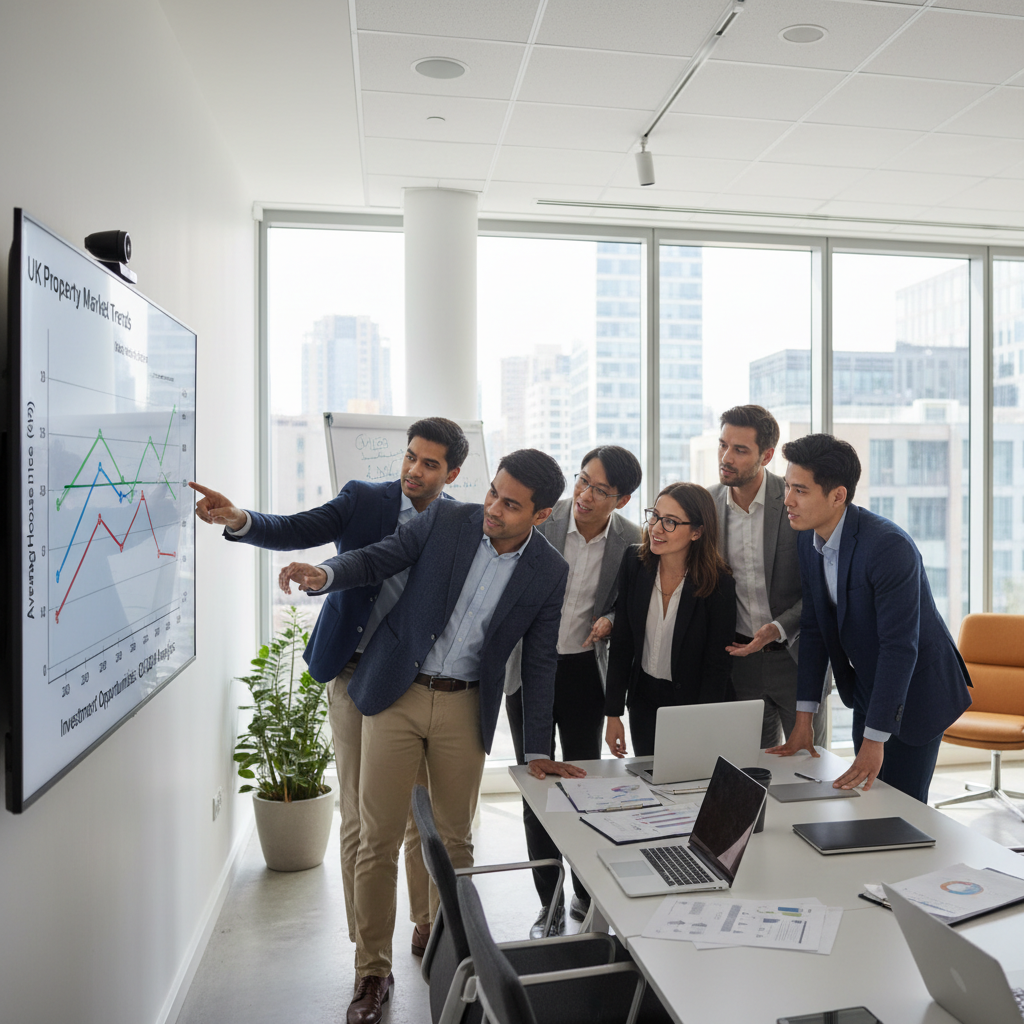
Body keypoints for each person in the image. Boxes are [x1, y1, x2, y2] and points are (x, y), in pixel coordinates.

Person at [277, 449, 586, 1024]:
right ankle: (371, 972)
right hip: (396, 692)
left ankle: (454, 952)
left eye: (511, 504)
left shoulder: (549, 571)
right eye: (493, 492)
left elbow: (541, 660)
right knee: (378, 837)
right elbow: (381, 557)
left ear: (541, 515)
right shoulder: (449, 520)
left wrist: (538, 749)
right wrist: (326, 573)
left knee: (456, 843)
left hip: (466, 707)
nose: (493, 507)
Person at [189, 416, 468, 963]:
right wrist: (241, 518)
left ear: (452, 472)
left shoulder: (456, 524)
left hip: (412, 680)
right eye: (410, 456)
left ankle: (425, 920)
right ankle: (368, 943)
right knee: (362, 816)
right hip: (351, 669)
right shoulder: (364, 499)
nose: (414, 469)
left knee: (420, 811)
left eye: (429, 463)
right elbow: (297, 528)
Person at [767, 433, 973, 803]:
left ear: (838, 495)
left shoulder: (887, 547)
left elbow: (899, 648)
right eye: (787, 487)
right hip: (869, 684)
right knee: (867, 801)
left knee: (903, 807)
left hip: (916, 690)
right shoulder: (807, 538)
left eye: (800, 490)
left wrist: (874, 740)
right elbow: (813, 629)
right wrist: (802, 722)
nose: (788, 501)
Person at [504, 445, 643, 938]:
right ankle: (550, 903)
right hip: (527, 670)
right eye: (583, 480)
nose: (584, 494)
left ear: (621, 500)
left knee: (585, 788)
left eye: (599, 490)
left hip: (585, 671)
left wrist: (610, 618)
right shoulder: (542, 520)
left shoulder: (632, 541)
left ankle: (589, 893)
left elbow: (629, 602)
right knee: (536, 789)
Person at [709, 405, 828, 749]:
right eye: (723, 445)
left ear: (767, 455)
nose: (726, 457)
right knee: (746, 770)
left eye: (740, 450)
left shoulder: (797, 501)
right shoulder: (707, 504)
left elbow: (822, 589)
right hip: (739, 661)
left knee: (806, 767)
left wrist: (779, 627)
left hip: (796, 658)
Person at [604, 482, 737, 759]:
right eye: (654, 516)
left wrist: (702, 725)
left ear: (697, 532)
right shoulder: (634, 561)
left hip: (693, 704)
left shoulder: (719, 583)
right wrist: (613, 713)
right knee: (649, 784)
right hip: (643, 701)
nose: (656, 528)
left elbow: (717, 665)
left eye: (670, 522)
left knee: (687, 786)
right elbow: (623, 641)